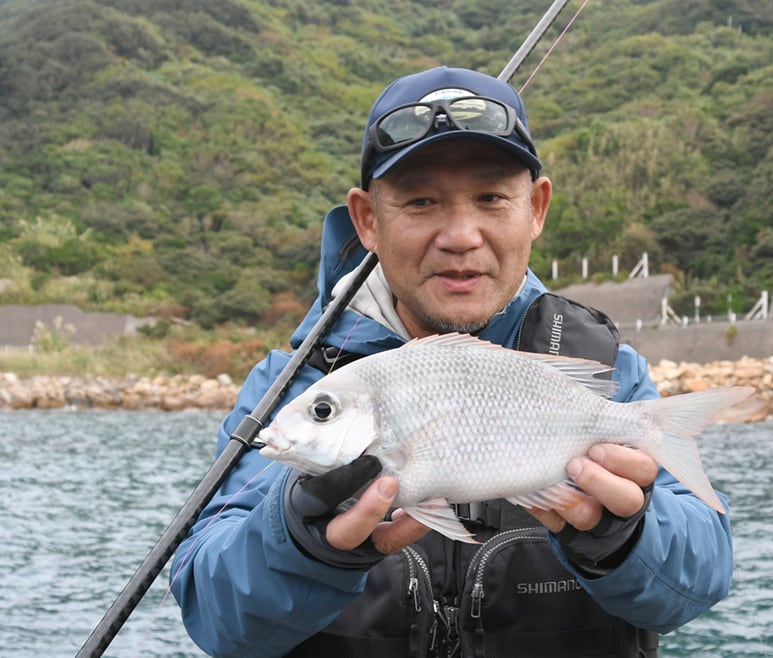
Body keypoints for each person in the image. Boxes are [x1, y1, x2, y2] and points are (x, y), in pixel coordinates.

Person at [171, 66, 733, 658]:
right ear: (368, 220)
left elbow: (701, 581)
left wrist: (626, 534)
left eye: (491, 197)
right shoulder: (292, 385)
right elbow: (216, 619)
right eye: (420, 201)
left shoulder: (606, 371)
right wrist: (298, 541)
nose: (461, 235)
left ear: (536, 209)